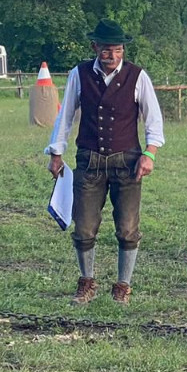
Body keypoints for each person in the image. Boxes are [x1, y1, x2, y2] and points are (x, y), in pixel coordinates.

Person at [46, 19, 165, 305]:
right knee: (84, 227)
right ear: (95, 47)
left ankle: (123, 286)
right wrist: (56, 152)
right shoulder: (80, 73)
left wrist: (149, 154)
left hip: (128, 162)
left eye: (118, 50)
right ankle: (86, 282)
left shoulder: (138, 76)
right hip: (89, 161)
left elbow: (154, 119)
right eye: (106, 50)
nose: (112, 56)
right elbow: (66, 116)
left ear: (123, 49)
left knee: (127, 227)